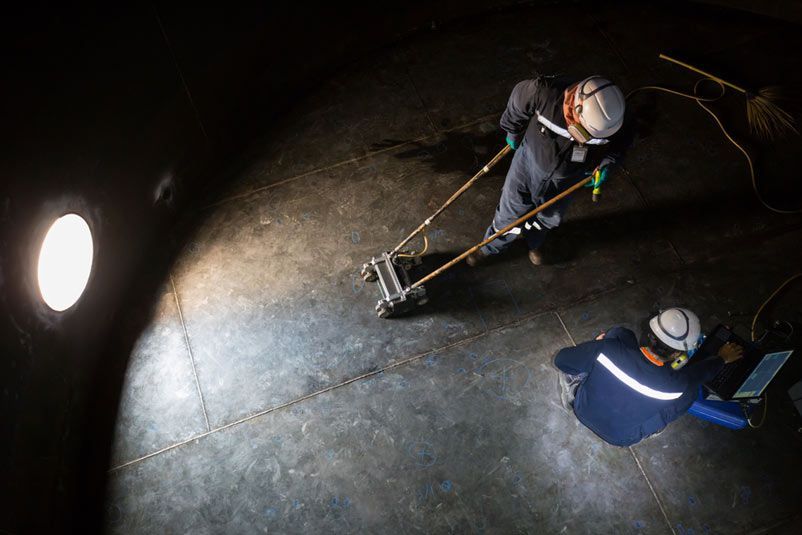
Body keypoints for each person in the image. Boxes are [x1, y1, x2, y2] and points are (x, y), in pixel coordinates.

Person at [467, 74, 630, 267]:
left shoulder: (617, 119)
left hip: (568, 178)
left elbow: (622, 144)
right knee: (510, 213)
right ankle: (490, 247)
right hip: (528, 166)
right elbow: (518, 102)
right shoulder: (545, 93)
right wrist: (513, 130)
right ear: (577, 108)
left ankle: (535, 243)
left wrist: (607, 165)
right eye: (587, 132)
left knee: (549, 217)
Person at [553, 308, 744, 447]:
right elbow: (697, 375)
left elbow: (562, 360)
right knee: (690, 395)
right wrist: (722, 359)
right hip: (620, 437)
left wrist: (595, 349)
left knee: (619, 333)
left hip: (582, 408)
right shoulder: (676, 385)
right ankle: (648, 428)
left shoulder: (607, 350)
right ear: (678, 355)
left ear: (650, 332)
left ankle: (574, 388)